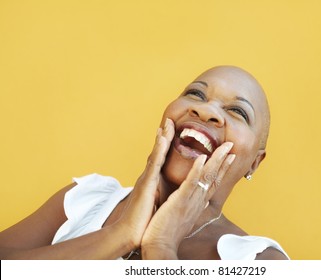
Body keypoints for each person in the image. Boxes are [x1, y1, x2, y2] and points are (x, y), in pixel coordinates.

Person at [0, 65, 289, 260]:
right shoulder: (86, 199)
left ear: (255, 162)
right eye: (196, 94)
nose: (205, 110)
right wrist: (120, 234)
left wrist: (161, 246)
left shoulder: (259, 260)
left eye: (238, 111)